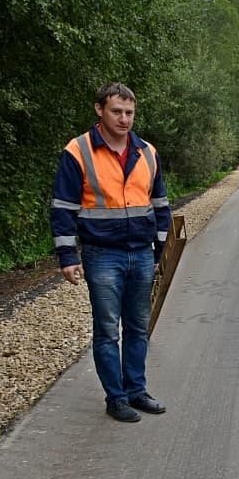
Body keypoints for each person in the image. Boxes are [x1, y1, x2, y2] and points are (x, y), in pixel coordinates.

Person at [50, 82, 172, 422]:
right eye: (117, 111)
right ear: (99, 110)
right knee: (107, 330)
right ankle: (115, 397)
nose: (124, 119)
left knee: (137, 327)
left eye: (129, 112)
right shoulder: (79, 151)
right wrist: (68, 257)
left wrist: (159, 249)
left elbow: (160, 203)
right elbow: (62, 208)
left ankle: (136, 390)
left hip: (141, 253)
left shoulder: (146, 151)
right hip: (102, 254)